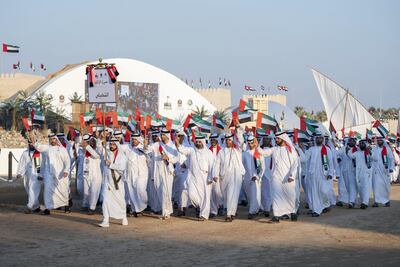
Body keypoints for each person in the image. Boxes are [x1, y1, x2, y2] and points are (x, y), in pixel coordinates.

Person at [260, 132, 299, 223]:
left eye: (277, 138)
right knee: (276, 196)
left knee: (289, 195)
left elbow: (295, 164)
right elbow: (264, 153)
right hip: (276, 176)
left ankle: (292, 212)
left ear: (283, 139)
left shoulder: (290, 150)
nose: (276, 140)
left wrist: (292, 175)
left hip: (287, 177)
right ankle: (276, 215)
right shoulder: (274, 149)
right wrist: (256, 146)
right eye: (275, 139)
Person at [29, 131, 71, 215]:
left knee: (63, 190)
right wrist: (33, 139)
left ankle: (66, 206)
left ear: (56, 140)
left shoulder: (62, 149)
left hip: (61, 174)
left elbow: (67, 161)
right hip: (49, 173)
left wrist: (66, 170)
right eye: (51, 139)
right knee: (47, 190)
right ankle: (48, 208)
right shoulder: (48, 148)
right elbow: (39, 147)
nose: (52, 141)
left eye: (54, 139)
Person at [176, 132, 214, 221]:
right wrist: (177, 141)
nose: (197, 143)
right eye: (196, 142)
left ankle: (203, 215)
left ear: (203, 142)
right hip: (192, 177)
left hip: (205, 178)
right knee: (192, 195)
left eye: (199, 142)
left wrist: (211, 177)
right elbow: (181, 149)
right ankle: (199, 207)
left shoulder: (208, 152)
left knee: (205, 197)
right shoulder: (192, 150)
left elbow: (212, 165)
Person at [144, 128, 178, 219]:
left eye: (163, 135)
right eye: (161, 135)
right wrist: (146, 145)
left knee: (166, 191)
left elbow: (176, 159)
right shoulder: (156, 145)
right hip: (157, 171)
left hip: (167, 171)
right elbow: (147, 150)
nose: (162, 136)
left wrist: (168, 158)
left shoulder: (172, 146)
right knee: (159, 191)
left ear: (167, 136)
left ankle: (166, 213)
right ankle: (167, 210)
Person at [213, 132, 245, 222]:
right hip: (224, 177)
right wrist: (215, 174)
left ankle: (229, 214)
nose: (228, 142)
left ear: (232, 141)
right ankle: (232, 212)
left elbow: (241, 141)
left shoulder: (237, 150)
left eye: (229, 140)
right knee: (227, 196)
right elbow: (216, 164)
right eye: (226, 140)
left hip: (236, 176)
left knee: (232, 194)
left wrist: (238, 129)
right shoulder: (221, 152)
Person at [300, 132, 334, 217]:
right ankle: (316, 210)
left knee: (323, 191)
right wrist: (300, 150)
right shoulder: (311, 149)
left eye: (320, 138)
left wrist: (330, 173)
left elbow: (330, 162)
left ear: (322, 139)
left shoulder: (327, 149)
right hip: (313, 175)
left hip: (324, 174)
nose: (319, 139)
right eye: (317, 138)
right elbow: (304, 159)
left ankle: (325, 204)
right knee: (314, 192)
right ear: (315, 139)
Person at [99, 137, 128, 227]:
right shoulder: (107, 153)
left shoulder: (122, 156)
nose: (111, 146)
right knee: (105, 200)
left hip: (118, 182)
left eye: (113, 144)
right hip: (107, 182)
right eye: (110, 144)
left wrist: (110, 164)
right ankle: (105, 220)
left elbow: (122, 167)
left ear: (117, 145)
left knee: (120, 201)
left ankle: (123, 217)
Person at [16, 139, 43, 214]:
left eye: (33, 144)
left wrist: (41, 175)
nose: (31, 145)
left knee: (33, 190)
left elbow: (43, 166)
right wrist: (20, 173)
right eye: (30, 144)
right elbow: (22, 164)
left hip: (36, 176)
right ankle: (36, 207)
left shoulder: (40, 153)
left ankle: (30, 207)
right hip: (28, 175)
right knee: (30, 190)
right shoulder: (25, 153)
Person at [242, 133, 265, 219]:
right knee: (250, 196)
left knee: (255, 194)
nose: (250, 144)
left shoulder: (258, 153)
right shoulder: (245, 154)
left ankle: (252, 212)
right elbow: (241, 165)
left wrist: (258, 176)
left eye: (252, 143)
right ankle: (259, 208)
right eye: (249, 143)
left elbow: (263, 167)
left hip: (256, 178)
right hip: (247, 178)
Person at [125, 133, 149, 217]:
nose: (134, 141)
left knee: (140, 190)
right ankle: (136, 209)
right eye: (133, 139)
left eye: (135, 139)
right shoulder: (129, 148)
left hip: (142, 173)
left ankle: (142, 206)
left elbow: (146, 150)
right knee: (132, 192)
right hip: (131, 173)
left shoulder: (142, 147)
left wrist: (145, 145)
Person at [78, 134, 102, 215]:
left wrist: (87, 146)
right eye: (85, 142)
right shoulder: (83, 151)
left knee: (94, 191)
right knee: (85, 191)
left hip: (95, 175)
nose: (88, 144)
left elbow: (95, 155)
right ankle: (85, 204)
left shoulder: (97, 151)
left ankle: (92, 208)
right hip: (86, 174)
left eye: (88, 142)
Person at [347, 139, 373, 209]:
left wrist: (370, 151)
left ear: (365, 144)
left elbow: (374, 158)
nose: (361, 144)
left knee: (365, 187)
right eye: (360, 143)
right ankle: (359, 201)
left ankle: (365, 202)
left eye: (363, 143)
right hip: (358, 173)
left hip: (366, 173)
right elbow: (350, 156)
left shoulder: (369, 152)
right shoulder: (357, 153)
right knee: (360, 187)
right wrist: (349, 149)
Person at [371, 136, 394, 207]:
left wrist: (391, 167)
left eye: (381, 140)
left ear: (383, 141)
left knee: (385, 186)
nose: (379, 141)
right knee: (376, 186)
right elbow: (372, 158)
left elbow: (391, 159)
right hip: (376, 171)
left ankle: (386, 200)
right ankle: (376, 201)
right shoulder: (374, 149)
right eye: (378, 140)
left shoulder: (387, 149)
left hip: (385, 170)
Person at [174, 130, 191, 216]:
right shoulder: (173, 146)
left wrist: (186, 164)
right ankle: (179, 205)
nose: (179, 137)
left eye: (181, 136)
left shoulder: (187, 146)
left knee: (184, 190)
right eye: (178, 136)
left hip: (185, 172)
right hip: (176, 171)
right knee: (177, 190)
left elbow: (191, 158)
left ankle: (182, 208)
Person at [337, 136, 357, 208]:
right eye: (350, 141)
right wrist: (338, 158)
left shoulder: (357, 149)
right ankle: (351, 200)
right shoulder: (343, 149)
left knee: (352, 186)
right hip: (345, 171)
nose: (352, 142)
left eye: (353, 141)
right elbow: (337, 154)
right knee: (348, 186)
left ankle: (352, 201)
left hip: (354, 171)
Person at [208, 133, 224, 218]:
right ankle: (213, 211)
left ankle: (221, 206)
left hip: (219, 175)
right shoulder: (208, 150)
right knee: (211, 193)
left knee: (218, 192)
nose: (212, 141)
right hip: (210, 174)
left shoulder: (221, 150)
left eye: (214, 140)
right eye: (211, 140)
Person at [259, 132, 274, 217]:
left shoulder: (273, 149)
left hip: (271, 174)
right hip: (261, 174)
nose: (266, 140)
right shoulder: (259, 149)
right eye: (265, 139)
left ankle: (267, 209)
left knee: (269, 192)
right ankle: (262, 207)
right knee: (262, 192)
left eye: (268, 139)